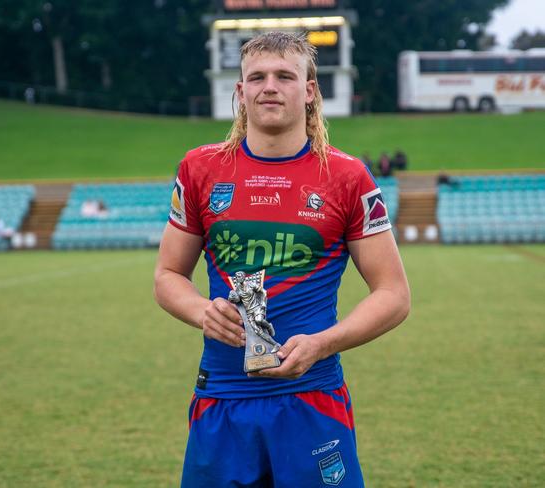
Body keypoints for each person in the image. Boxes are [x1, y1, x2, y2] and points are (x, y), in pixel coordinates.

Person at [154, 32, 410, 487]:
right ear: (241, 92)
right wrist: (201, 312)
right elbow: (168, 275)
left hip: (310, 397)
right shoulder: (199, 169)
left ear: (309, 90)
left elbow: (393, 294)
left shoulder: (347, 176)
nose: (269, 86)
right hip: (222, 398)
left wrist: (323, 343)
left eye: (284, 76)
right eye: (257, 77)